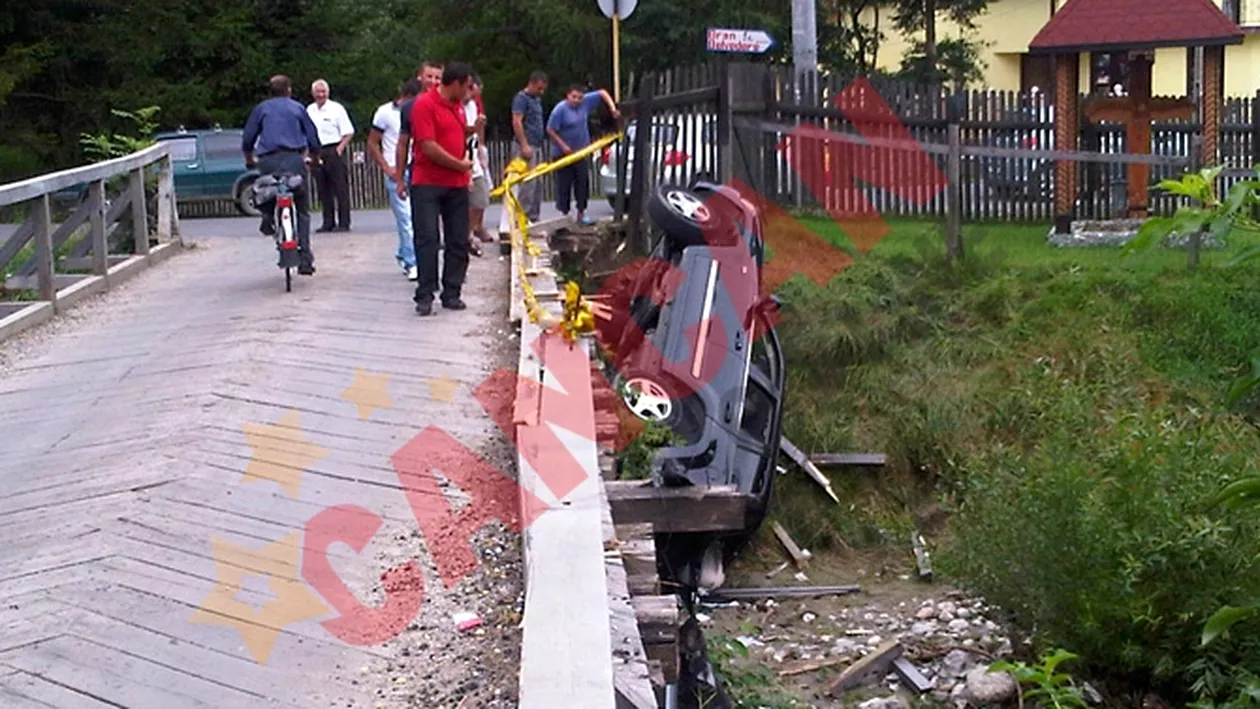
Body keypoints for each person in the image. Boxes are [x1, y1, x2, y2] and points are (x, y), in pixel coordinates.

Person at [402, 62, 476, 316]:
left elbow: (455, 138)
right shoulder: (424, 105)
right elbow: (428, 146)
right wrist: (460, 165)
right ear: (454, 84)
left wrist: (469, 136)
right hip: (428, 182)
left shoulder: (458, 107)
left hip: (456, 184)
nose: (468, 92)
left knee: (458, 239)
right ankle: (425, 294)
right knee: (428, 237)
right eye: (466, 86)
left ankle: (452, 291)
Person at [242, 74, 323, 275]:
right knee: (302, 208)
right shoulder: (298, 108)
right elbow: (313, 137)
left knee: (266, 191)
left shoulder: (261, 109)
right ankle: (305, 259)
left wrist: (249, 158)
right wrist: (314, 158)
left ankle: (268, 216)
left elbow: (248, 137)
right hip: (294, 160)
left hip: (268, 161)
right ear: (289, 90)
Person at [369, 78, 423, 280]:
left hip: (416, 167)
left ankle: (404, 252)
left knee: (415, 217)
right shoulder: (385, 113)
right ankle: (412, 262)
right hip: (395, 169)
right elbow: (373, 142)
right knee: (406, 218)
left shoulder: (418, 112)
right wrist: (385, 166)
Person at [546, 83, 619, 225]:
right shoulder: (560, 110)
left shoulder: (585, 103)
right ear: (567, 96)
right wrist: (563, 146)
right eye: (573, 97)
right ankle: (564, 215)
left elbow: (602, 92)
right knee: (564, 184)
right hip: (563, 154)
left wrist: (613, 108)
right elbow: (550, 130)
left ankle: (581, 213)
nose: (576, 100)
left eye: (579, 98)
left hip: (580, 152)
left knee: (582, 182)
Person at [307, 79, 355, 232]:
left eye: (323, 92)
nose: (321, 95)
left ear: (328, 92)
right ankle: (328, 222)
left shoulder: (336, 109)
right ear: (313, 93)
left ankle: (344, 223)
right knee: (323, 189)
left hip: (333, 149)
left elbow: (348, 132)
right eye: (318, 92)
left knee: (340, 188)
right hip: (316, 151)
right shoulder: (309, 110)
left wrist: (339, 150)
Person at [510, 71, 548, 223]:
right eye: (539, 88)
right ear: (531, 83)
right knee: (528, 183)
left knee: (537, 183)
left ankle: (533, 217)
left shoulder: (536, 100)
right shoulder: (521, 99)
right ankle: (521, 218)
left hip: (537, 145)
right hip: (525, 146)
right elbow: (517, 121)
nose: (541, 92)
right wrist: (524, 144)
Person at [463, 74, 493, 256]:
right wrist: (474, 128)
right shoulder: (456, 106)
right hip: (461, 156)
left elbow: (477, 129)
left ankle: (471, 230)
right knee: (464, 201)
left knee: (481, 198)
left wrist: (481, 147)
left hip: (473, 155)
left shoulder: (473, 105)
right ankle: (466, 236)